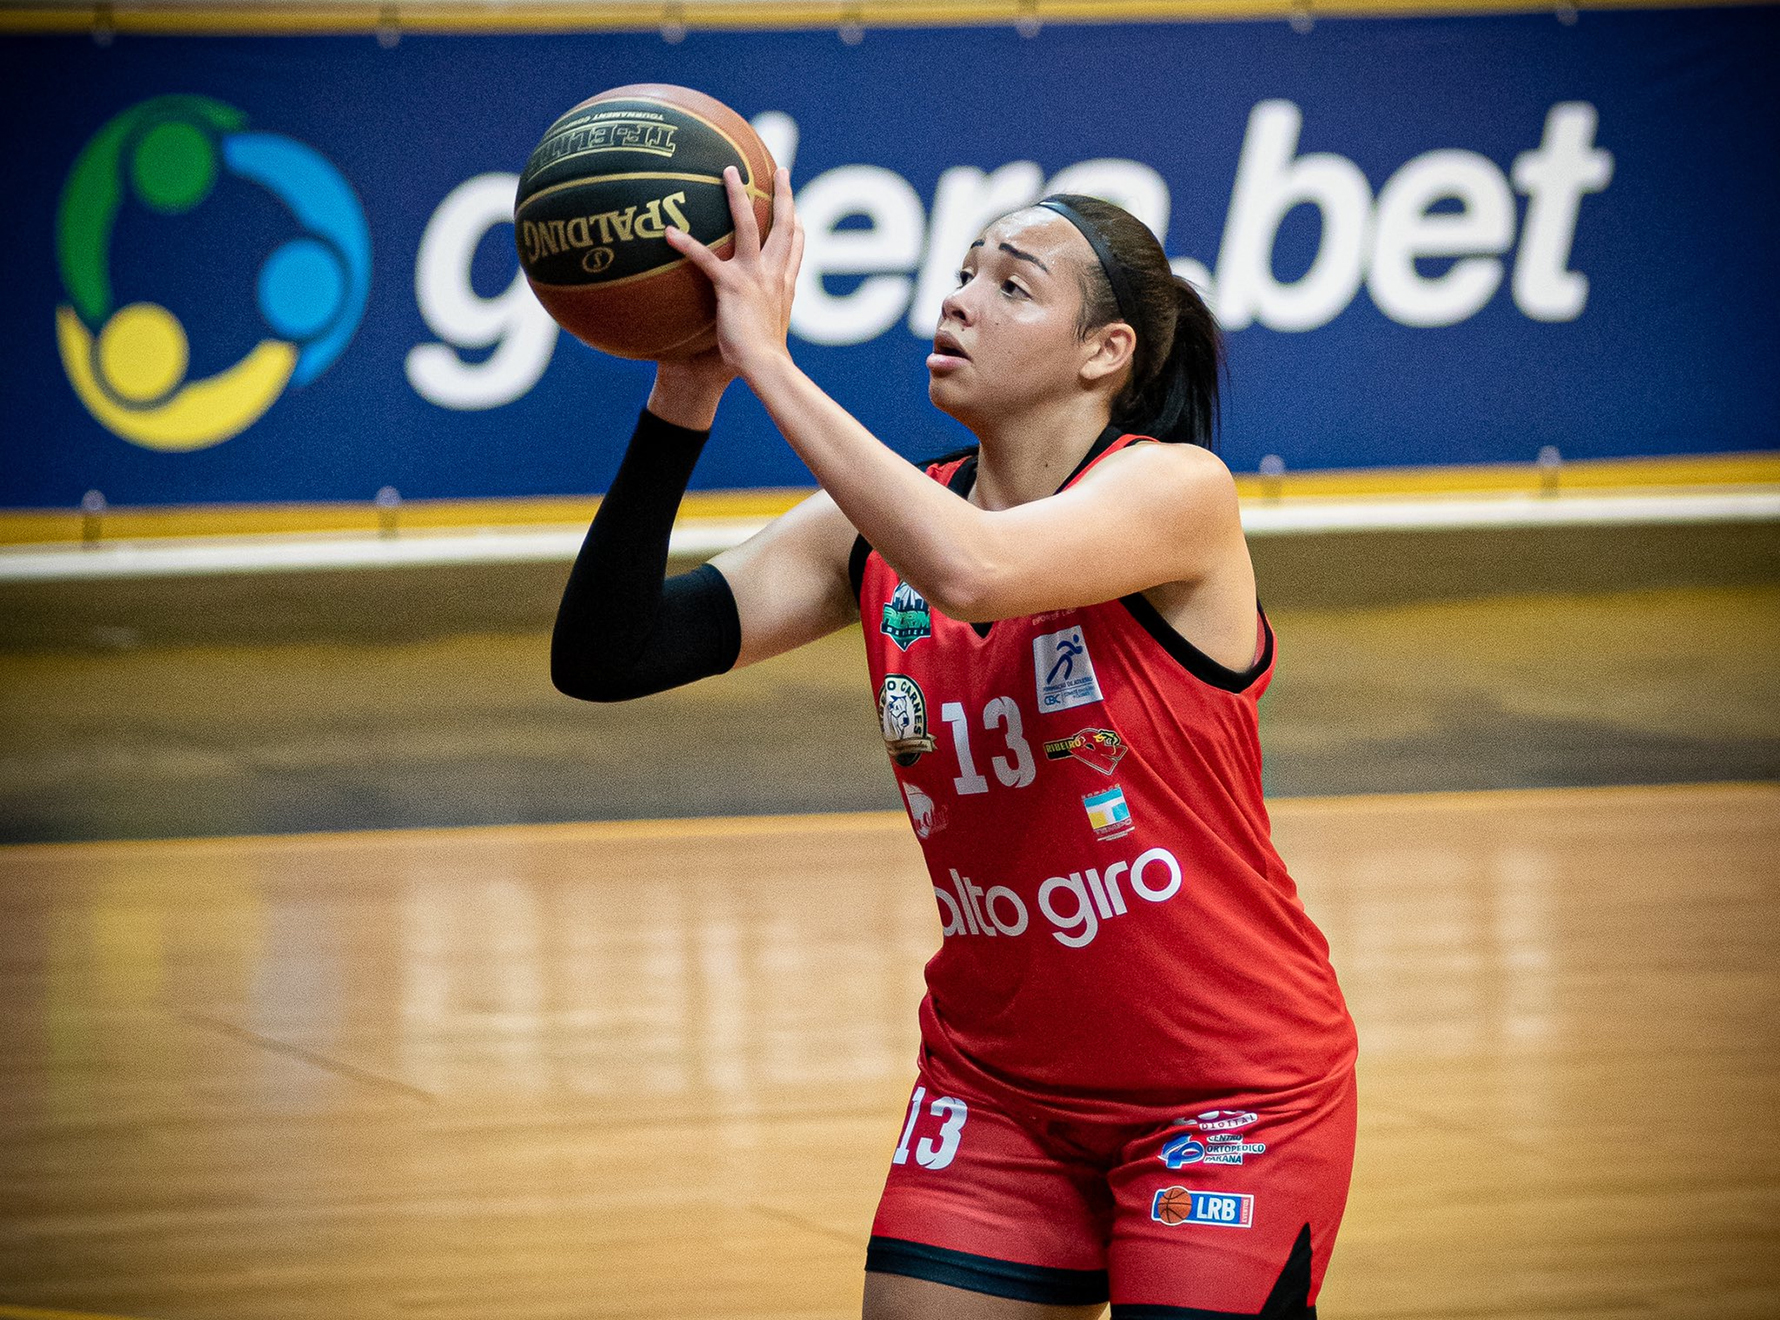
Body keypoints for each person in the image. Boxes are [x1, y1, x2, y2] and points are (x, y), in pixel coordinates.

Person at [552, 165, 1358, 1320]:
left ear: (1104, 354)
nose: (963, 299)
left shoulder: (1177, 493)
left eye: (1013, 286)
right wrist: (689, 390)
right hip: (998, 1095)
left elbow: (976, 571)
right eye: (963, 271)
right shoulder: (870, 535)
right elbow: (608, 654)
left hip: (1224, 1097)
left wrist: (771, 364)